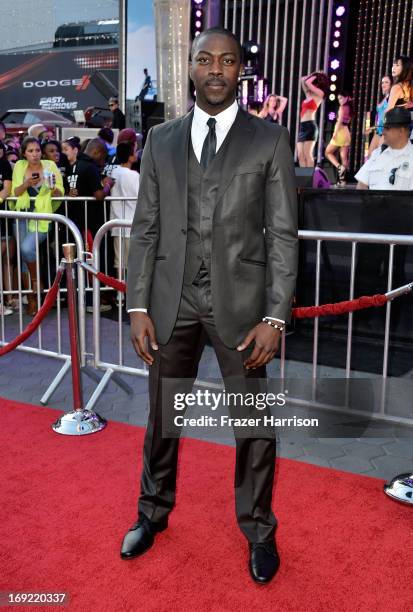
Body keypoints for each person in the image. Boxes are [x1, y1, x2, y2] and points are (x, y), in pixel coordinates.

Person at [121, 27, 298, 585]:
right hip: (171, 303)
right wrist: (137, 305)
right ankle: (152, 513)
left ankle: (259, 530)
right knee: (161, 418)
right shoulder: (160, 141)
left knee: (254, 426)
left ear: (240, 70)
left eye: (227, 60)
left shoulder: (268, 140)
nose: (215, 68)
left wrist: (275, 315)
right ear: (191, 69)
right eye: (205, 59)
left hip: (243, 310)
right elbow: (145, 230)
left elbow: (283, 235)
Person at [9, 137, 63, 315]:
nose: (35, 154)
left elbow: (59, 193)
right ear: (24, 153)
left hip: (42, 217)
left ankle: (35, 282)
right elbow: (15, 192)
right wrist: (26, 184)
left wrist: (53, 187)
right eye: (30, 151)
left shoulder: (49, 166)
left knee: (26, 248)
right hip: (21, 215)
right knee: (25, 255)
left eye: (37, 150)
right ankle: (33, 300)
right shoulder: (19, 166)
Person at [355, 108, 413, 190]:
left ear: (401, 131)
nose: (383, 132)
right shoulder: (377, 154)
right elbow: (361, 186)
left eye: (387, 128)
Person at [110, 141, 139, 281]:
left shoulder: (114, 172)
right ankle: (132, 294)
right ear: (130, 157)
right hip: (131, 223)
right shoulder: (133, 175)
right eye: (135, 151)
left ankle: (119, 293)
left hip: (116, 224)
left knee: (119, 261)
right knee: (133, 262)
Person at [297, 71, 328, 167]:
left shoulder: (320, 94)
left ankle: (310, 180)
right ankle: (304, 179)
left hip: (310, 126)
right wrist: (313, 74)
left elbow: (307, 82)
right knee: (300, 156)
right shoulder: (309, 94)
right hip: (302, 126)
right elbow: (303, 79)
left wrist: (316, 75)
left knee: (307, 154)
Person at [325, 92, 353, 185]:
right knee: (344, 158)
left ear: (346, 98)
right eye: (338, 99)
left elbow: (340, 121)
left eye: (341, 98)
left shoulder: (342, 108)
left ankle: (339, 167)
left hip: (340, 133)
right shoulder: (350, 108)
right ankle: (343, 180)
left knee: (327, 152)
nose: (339, 100)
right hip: (346, 132)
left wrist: (334, 133)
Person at [0, 142, 14, 315]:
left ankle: (10, 298)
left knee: (7, 259)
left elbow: (7, 189)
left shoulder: (5, 165)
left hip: (3, 219)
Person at [366, 74, 392, 158]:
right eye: (382, 83)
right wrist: (372, 127)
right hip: (378, 130)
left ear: (391, 84)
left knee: (380, 157)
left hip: (386, 130)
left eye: (386, 82)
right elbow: (378, 116)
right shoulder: (384, 98)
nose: (383, 85)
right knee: (370, 156)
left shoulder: (391, 97)